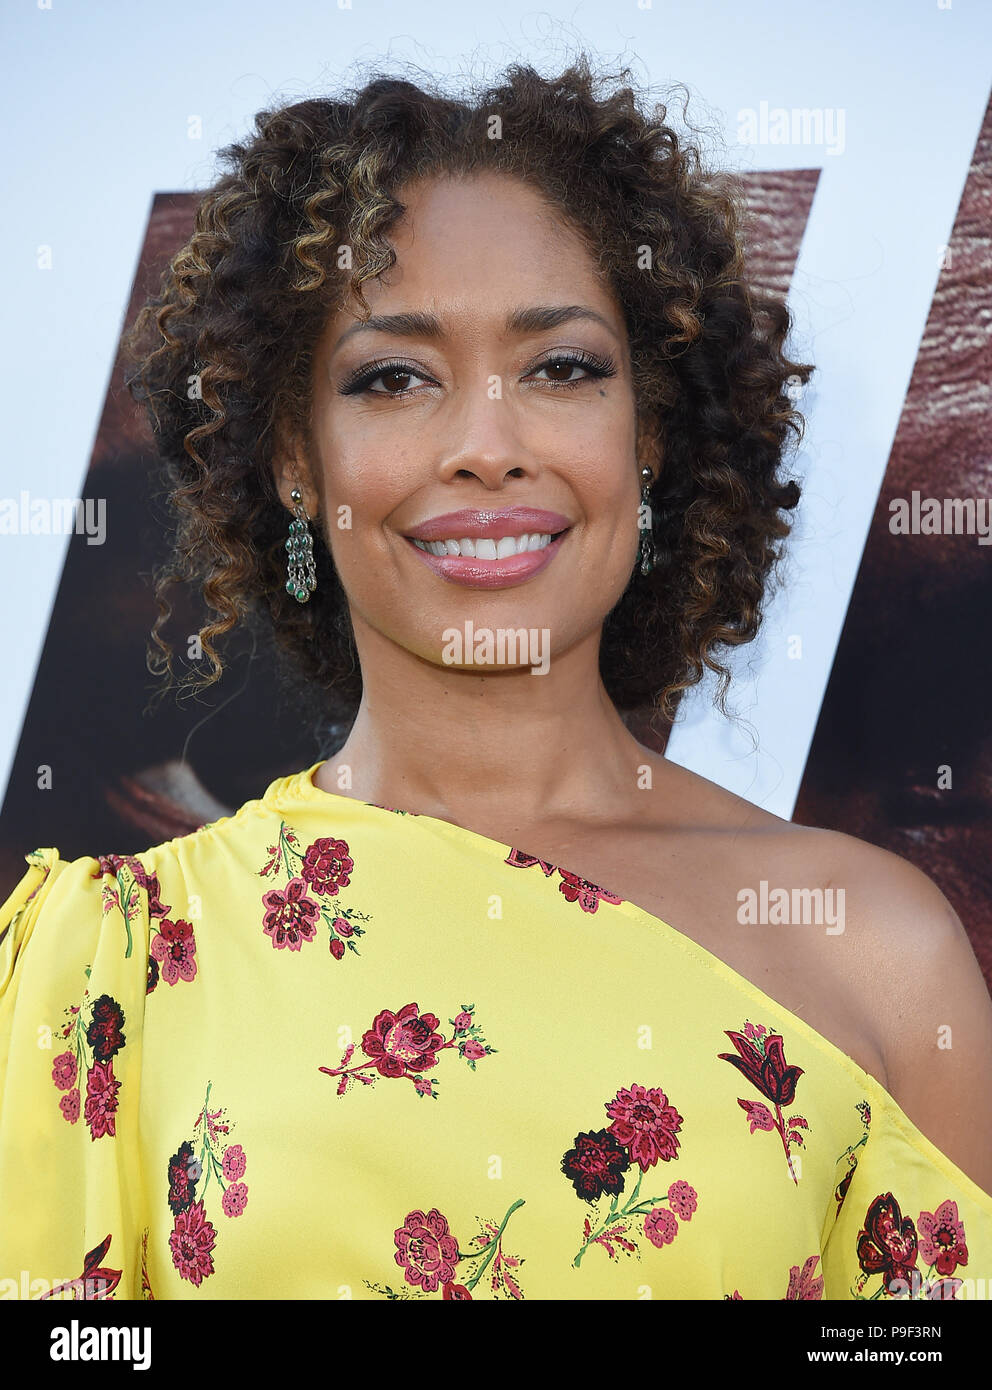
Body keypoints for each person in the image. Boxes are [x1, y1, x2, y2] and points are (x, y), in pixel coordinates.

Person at [2, 57, 990, 1302]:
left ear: (651, 435)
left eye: (560, 367)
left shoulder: (877, 952)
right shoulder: (113, 960)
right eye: (394, 377)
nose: (484, 445)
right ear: (297, 461)